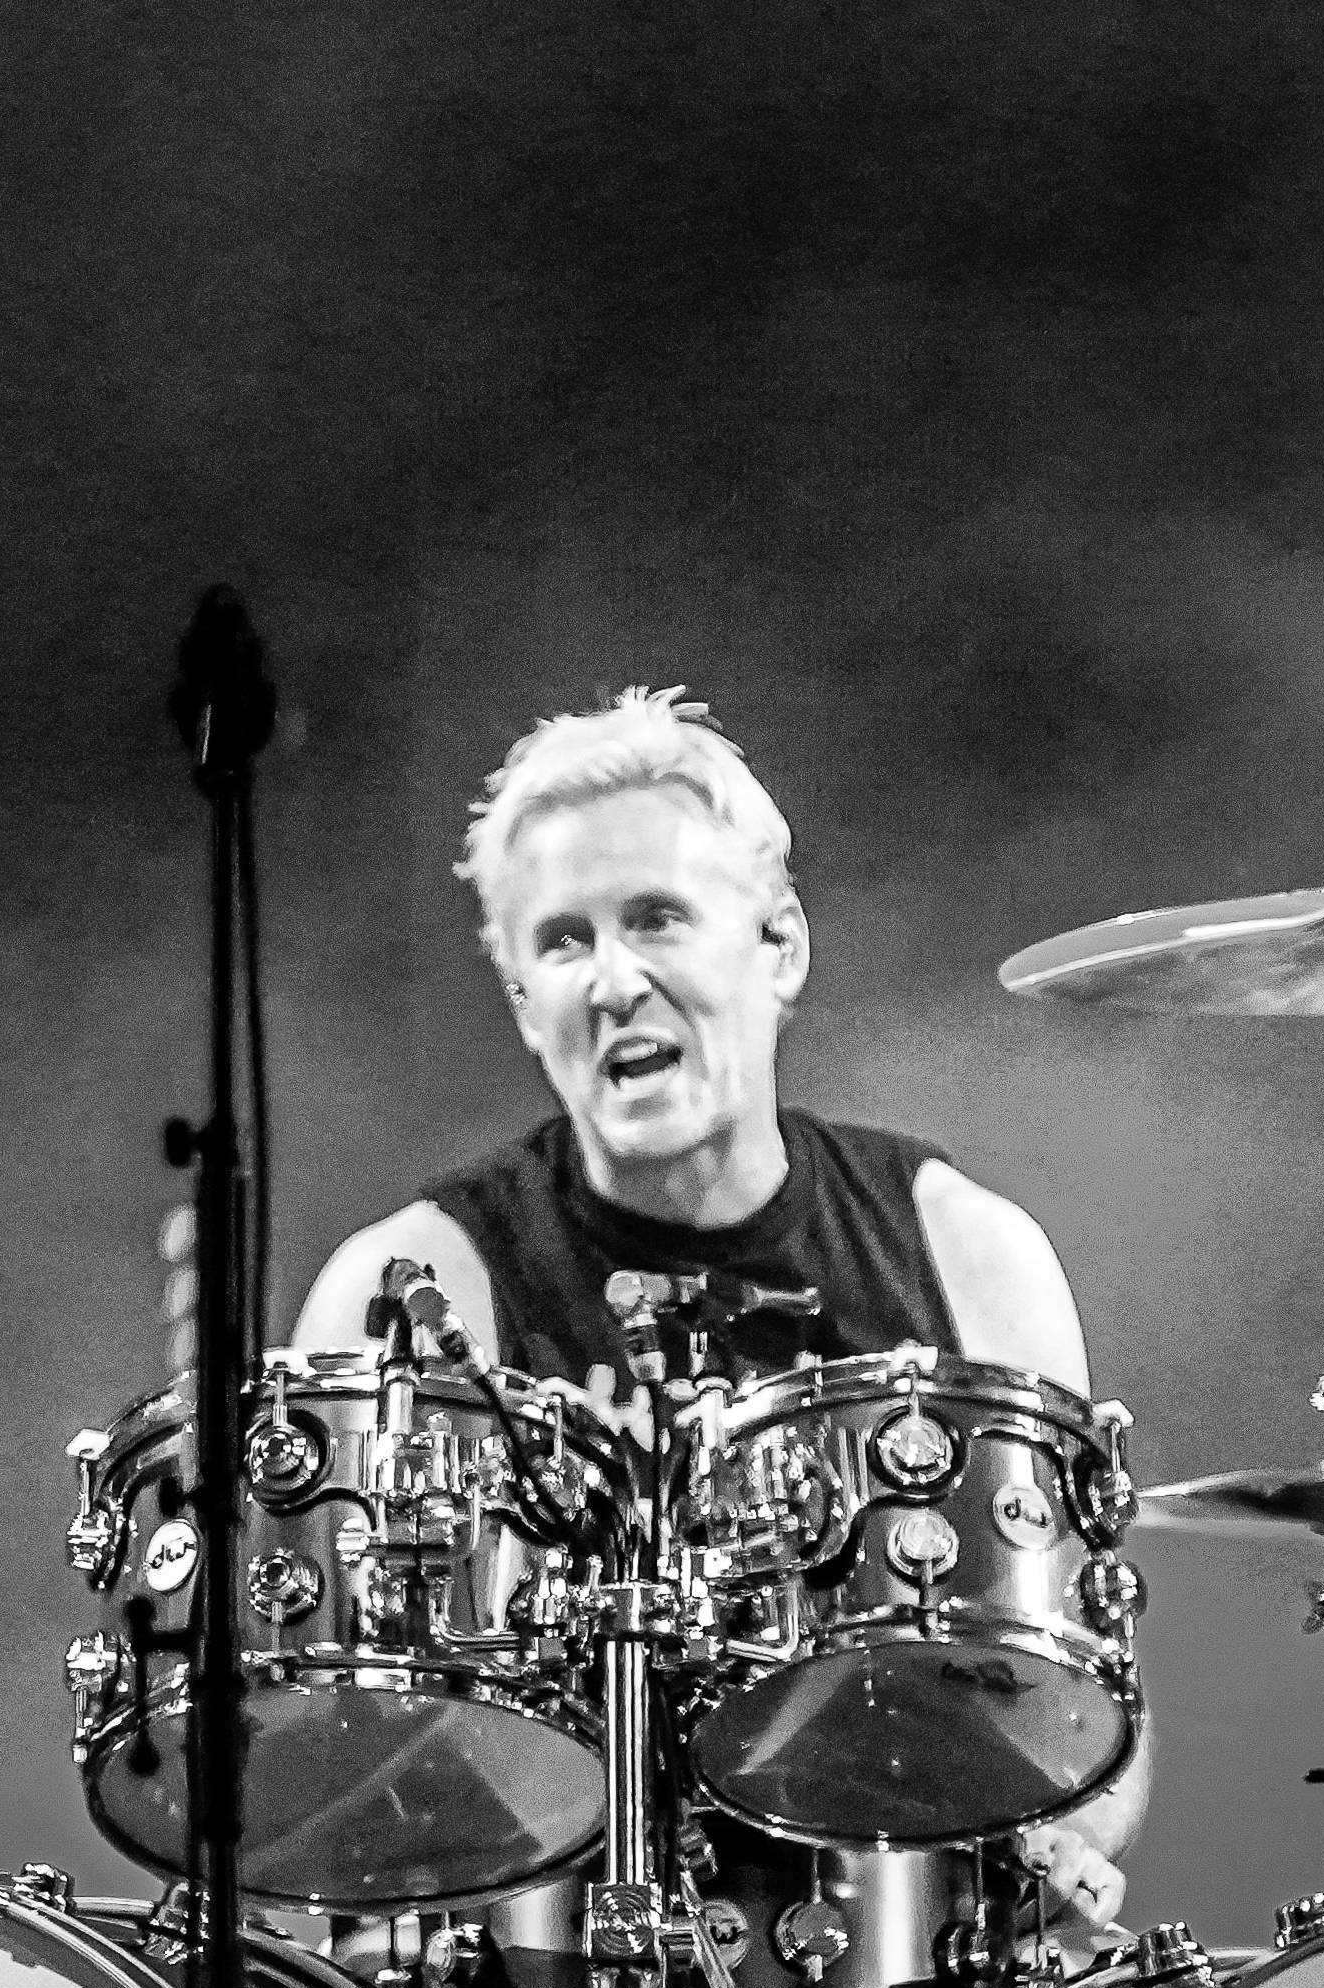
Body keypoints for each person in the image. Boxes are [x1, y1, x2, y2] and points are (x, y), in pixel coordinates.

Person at [296, 689, 1145, 1921]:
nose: (614, 980)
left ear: (779, 944)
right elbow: (332, 1731)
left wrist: (1064, 1846)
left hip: (909, 1987)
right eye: (563, 942)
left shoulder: (965, 1248)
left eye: (657, 920)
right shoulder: (417, 1284)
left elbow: (1084, 1674)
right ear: (524, 1000)